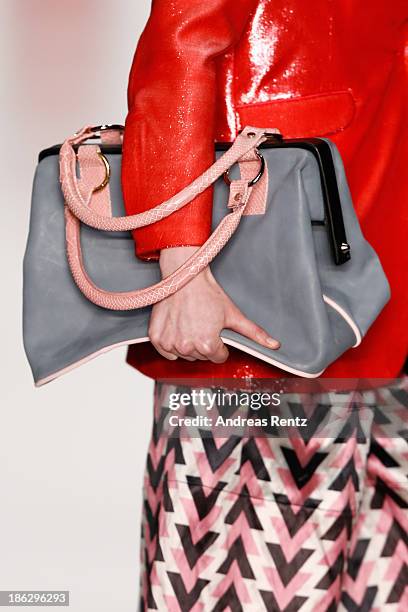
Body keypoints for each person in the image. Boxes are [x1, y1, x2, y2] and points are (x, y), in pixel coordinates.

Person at [121, 1, 408, 609]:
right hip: (270, 267)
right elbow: (179, 47)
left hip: (383, 265)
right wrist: (181, 260)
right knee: (235, 567)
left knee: (379, 572)